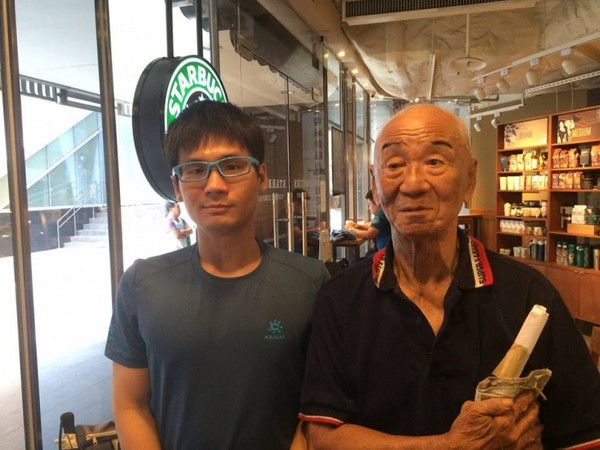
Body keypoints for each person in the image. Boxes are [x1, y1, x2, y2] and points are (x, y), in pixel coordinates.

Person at [299, 104, 600, 449]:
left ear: (470, 178)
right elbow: (322, 437)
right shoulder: (340, 298)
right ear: (375, 184)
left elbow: (585, 434)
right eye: (394, 165)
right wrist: (450, 446)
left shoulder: (530, 296)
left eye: (434, 162)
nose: (413, 184)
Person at [105, 100, 330, 449]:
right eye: (195, 169)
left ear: (262, 177)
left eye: (232, 166)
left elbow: (320, 407)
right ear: (177, 186)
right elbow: (131, 405)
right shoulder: (142, 284)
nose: (214, 185)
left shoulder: (309, 283)